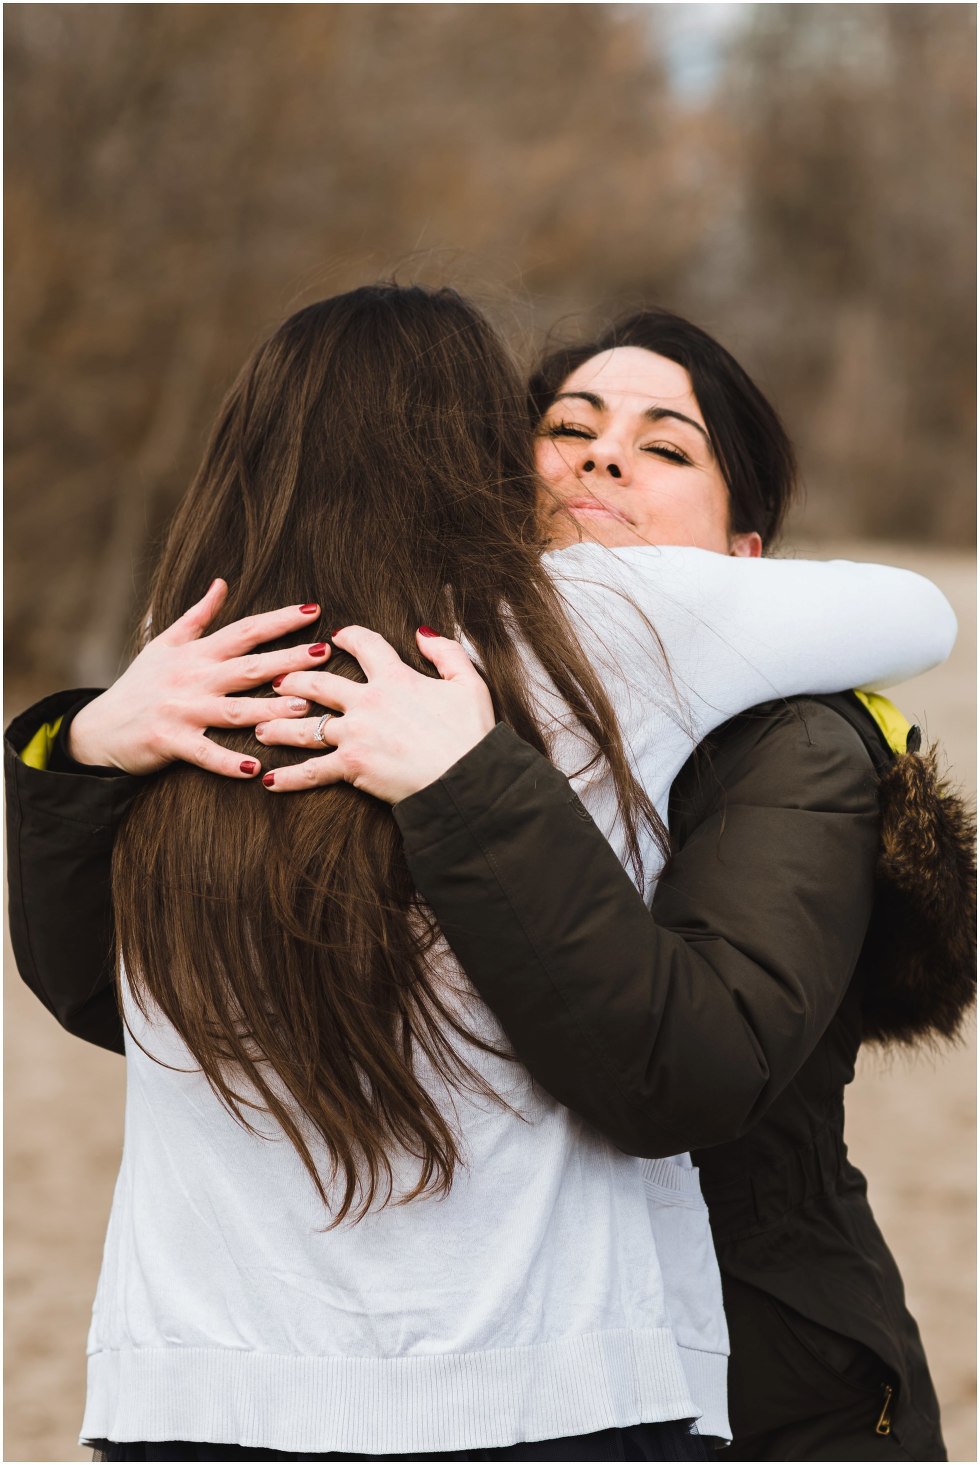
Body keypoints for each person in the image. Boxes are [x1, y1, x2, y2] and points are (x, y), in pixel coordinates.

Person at [4, 295, 961, 1462]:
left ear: (745, 563)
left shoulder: (712, 679)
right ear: (489, 477)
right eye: (567, 428)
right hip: (569, 1375)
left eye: (666, 447)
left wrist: (90, 743)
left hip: (768, 1357)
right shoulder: (392, 664)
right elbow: (148, 1006)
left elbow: (691, 1064)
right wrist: (88, 750)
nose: (607, 453)